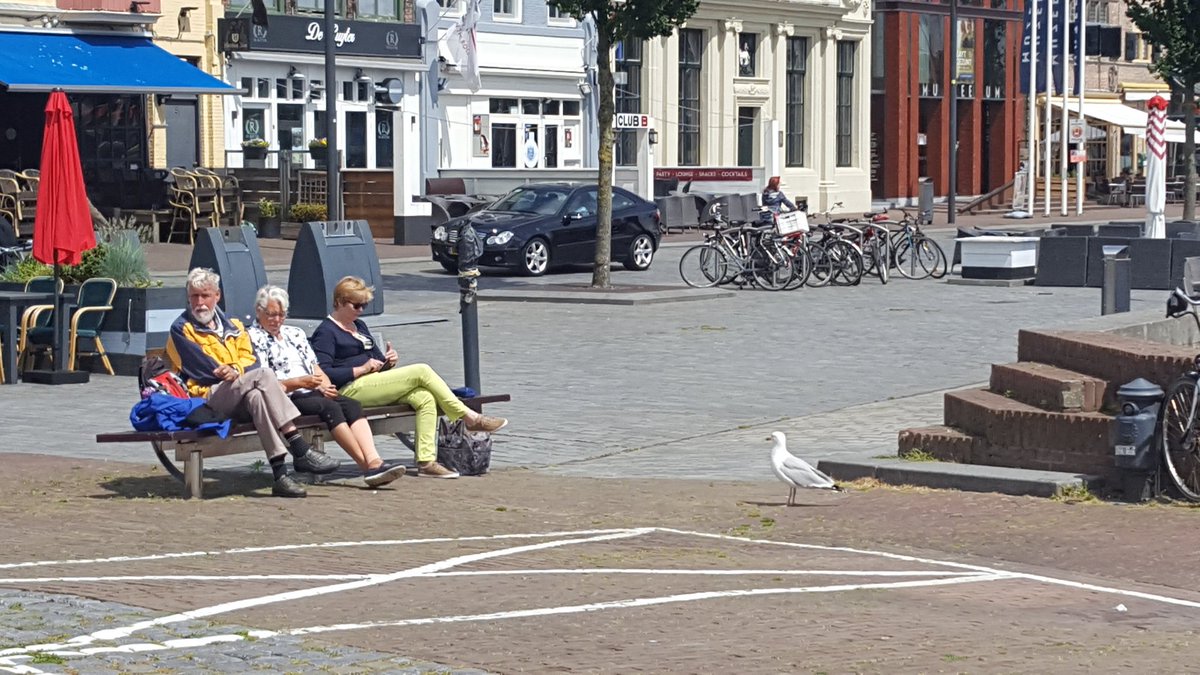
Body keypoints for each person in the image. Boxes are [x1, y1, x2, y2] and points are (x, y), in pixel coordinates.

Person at [310, 276, 508, 479]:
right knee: (421, 371)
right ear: (340, 302)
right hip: (350, 388)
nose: (361, 310)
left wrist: (388, 360)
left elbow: (377, 360)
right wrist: (360, 369)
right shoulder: (326, 332)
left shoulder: (359, 326)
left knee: (424, 397)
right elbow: (322, 372)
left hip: (373, 383)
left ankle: (426, 461)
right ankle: (469, 417)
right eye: (357, 305)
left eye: (365, 305)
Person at [166, 268, 339, 498]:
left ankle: (280, 475)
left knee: (256, 397)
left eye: (205, 295)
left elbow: (251, 360)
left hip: (239, 391)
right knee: (264, 375)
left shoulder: (234, 326)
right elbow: (202, 368)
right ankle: (298, 447)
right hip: (207, 399)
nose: (200, 302)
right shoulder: (181, 329)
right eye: (194, 296)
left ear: (217, 296)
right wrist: (233, 369)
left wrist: (235, 369)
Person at [248, 285, 407, 489]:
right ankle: (367, 467)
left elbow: (315, 366)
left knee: (350, 405)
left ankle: (375, 460)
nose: (277, 320)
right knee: (329, 408)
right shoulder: (253, 337)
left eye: (281, 315)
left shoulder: (294, 333)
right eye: (271, 315)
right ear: (258, 311)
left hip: (312, 387)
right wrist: (301, 382)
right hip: (286, 395)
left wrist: (326, 386)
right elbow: (265, 381)